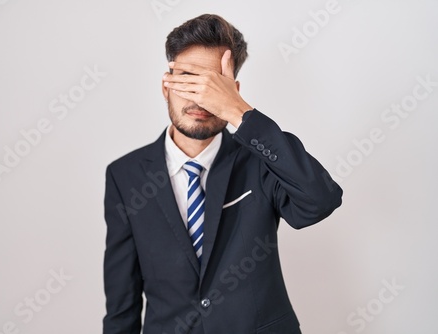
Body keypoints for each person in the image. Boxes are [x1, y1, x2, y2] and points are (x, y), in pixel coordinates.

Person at [102, 14, 342, 334]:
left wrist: (238, 112)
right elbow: (122, 302)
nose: (199, 98)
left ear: (232, 92)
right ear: (166, 86)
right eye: (188, 80)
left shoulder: (261, 160)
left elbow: (320, 200)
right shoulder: (125, 175)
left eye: (212, 86)